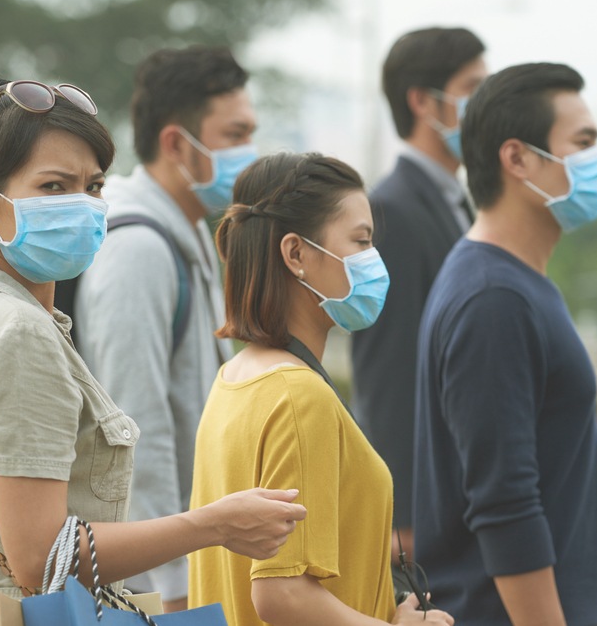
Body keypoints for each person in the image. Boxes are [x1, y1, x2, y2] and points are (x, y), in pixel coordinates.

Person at [0, 79, 305, 612]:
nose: (82, 206)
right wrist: (213, 524)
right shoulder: (18, 333)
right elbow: (43, 559)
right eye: (54, 187)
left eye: (94, 186)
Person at [187, 152, 454, 626]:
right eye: (361, 241)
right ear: (296, 254)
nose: (374, 260)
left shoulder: (237, 376)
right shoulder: (296, 395)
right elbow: (284, 595)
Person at [413, 63, 597, 625]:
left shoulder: (515, 282)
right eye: (582, 144)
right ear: (518, 158)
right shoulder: (493, 299)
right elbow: (504, 504)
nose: (596, 162)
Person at [73, 46, 257, 610]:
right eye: (235, 135)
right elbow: (137, 432)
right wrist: (172, 589)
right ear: (178, 144)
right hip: (155, 585)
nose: (248, 153)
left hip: (189, 556)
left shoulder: (191, 231)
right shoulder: (138, 249)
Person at [350, 26, 486, 561]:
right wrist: (402, 515)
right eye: (473, 86)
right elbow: (390, 367)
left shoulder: (454, 198)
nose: (486, 102)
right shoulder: (394, 210)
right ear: (424, 103)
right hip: (425, 514)